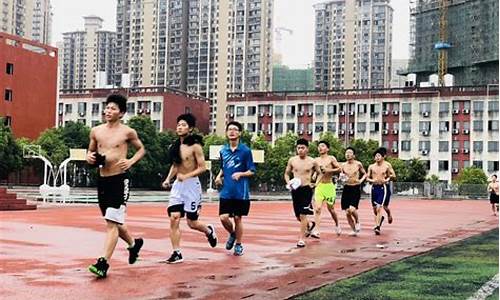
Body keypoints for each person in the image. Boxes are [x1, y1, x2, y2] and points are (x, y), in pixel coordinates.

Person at [86, 94, 146, 278]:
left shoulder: (128, 132)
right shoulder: (96, 131)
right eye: (107, 108)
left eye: (113, 108)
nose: (108, 111)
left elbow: (142, 149)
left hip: (120, 180)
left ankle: (103, 263)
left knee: (112, 223)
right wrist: (88, 157)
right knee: (112, 220)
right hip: (102, 180)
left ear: (121, 113)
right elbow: (91, 150)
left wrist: (130, 161)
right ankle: (134, 244)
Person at [162, 113, 217, 264]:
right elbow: (175, 165)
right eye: (178, 124)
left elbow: (202, 168)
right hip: (178, 187)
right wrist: (168, 179)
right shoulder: (175, 146)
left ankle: (208, 230)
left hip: (192, 185)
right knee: (174, 217)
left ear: (190, 128)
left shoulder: (195, 147)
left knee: (192, 223)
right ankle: (176, 252)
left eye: (184, 125)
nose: (180, 127)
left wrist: (186, 176)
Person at [215, 121, 256, 256]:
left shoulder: (245, 151)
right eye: (229, 129)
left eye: (235, 129)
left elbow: (252, 171)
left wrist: (241, 174)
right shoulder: (223, 151)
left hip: (240, 192)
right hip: (226, 191)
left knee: (238, 218)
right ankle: (232, 234)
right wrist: (218, 176)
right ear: (226, 133)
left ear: (239, 133)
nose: (232, 132)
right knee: (223, 218)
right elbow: (223, 167)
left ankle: (238, 244)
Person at [284, 138, 321, 248]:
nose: (300, 150)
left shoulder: (312, 161)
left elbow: (320, 173)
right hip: (295, 190)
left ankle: (301, 239)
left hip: (306, 190)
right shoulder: (292, 160)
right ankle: (309, 225)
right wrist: (288, 183)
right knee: (298, 216)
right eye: (298, 148)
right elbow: (286, 174)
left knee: (302, 214)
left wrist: (315, 183)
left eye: (302, 148)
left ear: (307, 149)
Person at [311, 140, 342, 238]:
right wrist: (314, 174)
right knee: (317, 208)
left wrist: (328, 170)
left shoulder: (331, 158)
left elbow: (339, 169)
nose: (320, 148)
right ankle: (316, 231)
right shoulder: (315, 160)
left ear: (327, 148)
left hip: (329, 186)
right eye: (319, 146)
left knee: (331, 209)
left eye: (323, 146)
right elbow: (314, 171)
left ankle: (337, 224)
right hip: (319, 186)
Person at [366, 147, 396, 235]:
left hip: (383, 188)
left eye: (379, 155)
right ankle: (381, 218)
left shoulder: (387, 165)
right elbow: (367, 177)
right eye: (376, 156)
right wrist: (372, 181)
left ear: (383, 157)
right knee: (375, 209)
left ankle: (377, 227)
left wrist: (387, 180)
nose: (377, 157)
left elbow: (393, 175)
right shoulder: (371, 166)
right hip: (374, 188)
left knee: (381, 207)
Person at [340, 147, 367, 236]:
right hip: (346, 188)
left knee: (352, 209)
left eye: (350, 152)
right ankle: (353, 230)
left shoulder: (358, 164)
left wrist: (361, 180)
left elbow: (365, 174)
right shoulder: (343, 165)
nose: (347, 154)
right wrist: (342, 178)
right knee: (347, 212)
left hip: (355, 188)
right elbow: (341, 176)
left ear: (354, 155)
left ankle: (358, 221)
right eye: (346, 152)